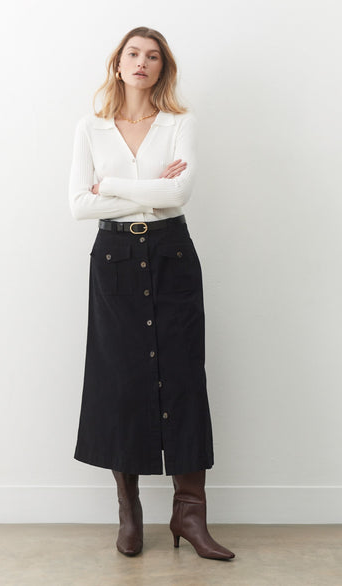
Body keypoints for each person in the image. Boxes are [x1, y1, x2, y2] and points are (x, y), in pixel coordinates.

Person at [68, 26, 234, 561]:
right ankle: (130, 511)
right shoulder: (91, 129)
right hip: (114, 258)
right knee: (121, 380)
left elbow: (179, 193)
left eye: (153, 56)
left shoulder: (179, 124)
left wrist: (111, 187)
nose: (142, 62)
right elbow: (78, 205)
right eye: (134, 54)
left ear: (163, 68)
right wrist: (148, 192)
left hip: (171, 254)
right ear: (118, 64)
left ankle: (190, 513)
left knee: (183, 376)